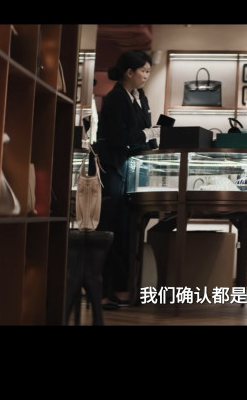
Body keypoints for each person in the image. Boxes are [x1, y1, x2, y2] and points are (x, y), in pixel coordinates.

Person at [93, 50, 159, 309]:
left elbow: (140, 133)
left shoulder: (140, 97)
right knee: (111, 227)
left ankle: (121, 287)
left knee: (125, 229)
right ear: (129, 72)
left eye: (149, 72)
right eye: (144, 71)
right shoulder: (115, 98)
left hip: (130, 169)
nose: (146, 76)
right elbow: (119, 137)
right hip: (114, 169)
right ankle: (104, 291)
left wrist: (152, 136)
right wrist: (148, 134)